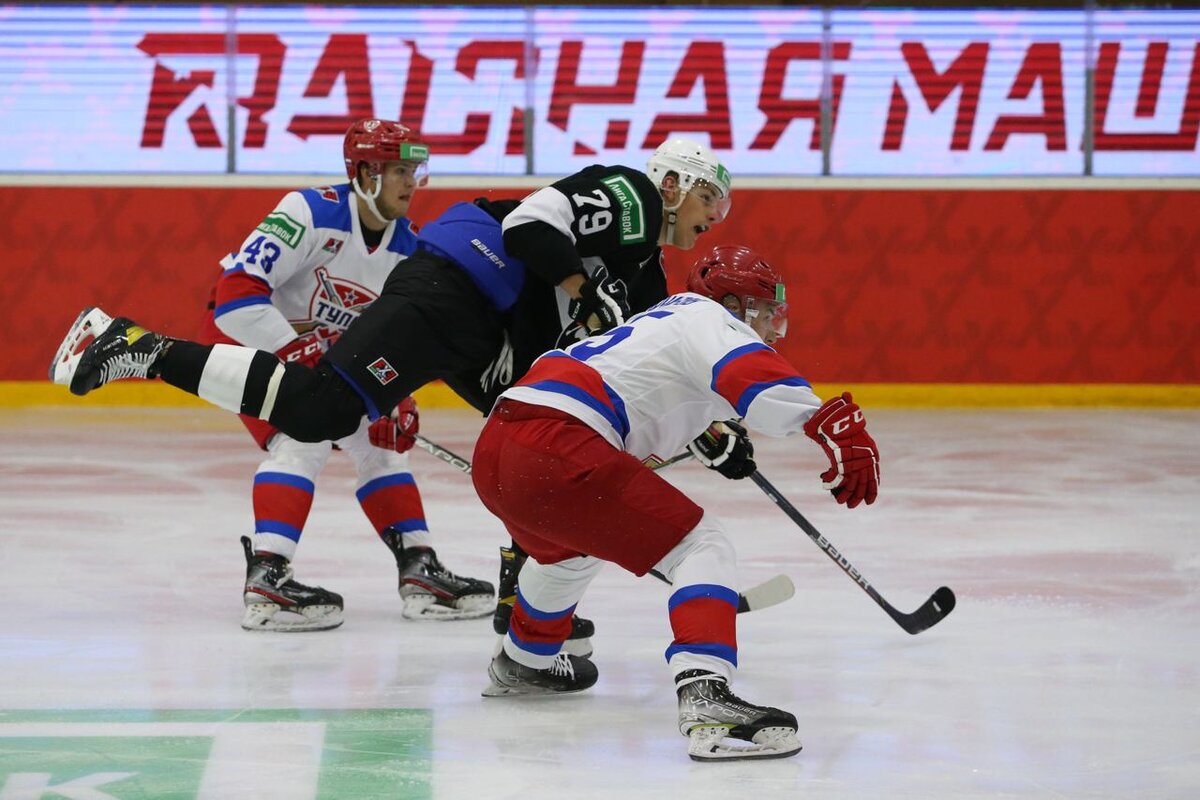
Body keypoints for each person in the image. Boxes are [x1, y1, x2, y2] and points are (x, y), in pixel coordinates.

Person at [49, 138, 734, 653]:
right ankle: (139, 346)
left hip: (485, 331)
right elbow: (530, 225)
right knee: (318, 413)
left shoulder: (645, 271)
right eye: (709, 198)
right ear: (671, 182)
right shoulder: (632, 196)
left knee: (542, 437)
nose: (714, 216)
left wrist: (706, 429)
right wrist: (589, 291)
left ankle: (509, 593)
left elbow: (642, 357)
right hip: (464, 285)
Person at [470, 245, 881, 762]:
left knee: (567, 551)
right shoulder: (704, 312)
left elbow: (665, 392)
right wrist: (827, 422)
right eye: (759, 312)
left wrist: (709, 432)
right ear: (729, 303)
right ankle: (706, 695)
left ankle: (524, 659)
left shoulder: (661, 321)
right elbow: (750, 376)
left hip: (500, 448)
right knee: (701, 546)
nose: (771, 329)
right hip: (559, 443)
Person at [200, 118, 493, 631]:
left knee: (382, 446)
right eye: (398, 169)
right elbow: (233, 298)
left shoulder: (407, 247)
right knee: (302, 439)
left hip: (322, 366)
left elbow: (394, 338)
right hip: (255, 344)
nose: (411, 182)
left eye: (414, 170)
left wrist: (394, 396)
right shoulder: (308, 212)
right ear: (363, 173)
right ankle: (267, 578)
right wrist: (294, 349)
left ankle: (418, 568)